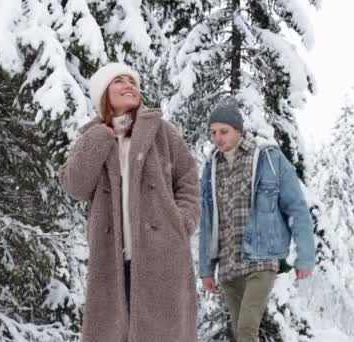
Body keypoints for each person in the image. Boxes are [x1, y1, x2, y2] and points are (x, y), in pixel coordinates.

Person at [59, 62, 200, 342]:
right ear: (103, 94)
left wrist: (181, 222)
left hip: (161, 255)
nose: (129, 85)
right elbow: (74, 186)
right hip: (112, 260)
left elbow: (188, 179)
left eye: (132, 81)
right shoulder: (93, 137)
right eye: (118, 81)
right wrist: (101, 134)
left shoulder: (161, 131)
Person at [198, 97, 315, 342]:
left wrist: (305, 256)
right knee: (239, 332)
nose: (217, 138)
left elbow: (296, 207)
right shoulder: (210, 169)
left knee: (248, 328)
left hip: (261, 259)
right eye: (213, 132)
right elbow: (208, 221)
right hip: (228, 265)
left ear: (239, 131)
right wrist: (207, 269)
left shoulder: (268, 160)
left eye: (224, 131)